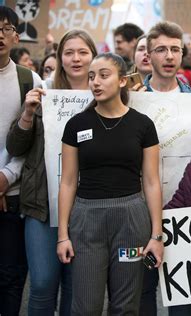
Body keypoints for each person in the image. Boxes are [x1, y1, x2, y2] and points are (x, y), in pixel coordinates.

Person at [56, 52, 163, 314]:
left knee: (126, 306)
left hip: (131, 221)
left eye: (104, 76)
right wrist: (62, 235)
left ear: (123, 81)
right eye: (92, 77)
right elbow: (68, 182)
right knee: (86, 306)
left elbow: (151, 181)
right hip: (87, 221)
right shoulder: (76, 124)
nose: (95, 82)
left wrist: (156, 235)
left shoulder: (143, 125)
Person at [7, 28, 98, 315]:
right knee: (44, 283)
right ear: (59, 58)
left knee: (75, 285)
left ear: (94, 57)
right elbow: (16, 146)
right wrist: (28, 113)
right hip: (42, 204)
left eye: (83, 52)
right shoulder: (43, 92)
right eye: (68, 52)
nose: (76, 59)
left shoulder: (106, 97)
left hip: (87, 206)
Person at [139, 20, 191, 316]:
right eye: (161, 49)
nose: (170, 56)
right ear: (148, 56)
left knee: (184, 297)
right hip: (139, 211)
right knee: (142, 294)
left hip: (186, 214)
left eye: (175, 49)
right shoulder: (130, 102)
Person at [0, 6, 41, 315]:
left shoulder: (30, 79)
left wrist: (5, 178)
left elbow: (33, 143)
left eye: (5, 28)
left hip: (12, 195)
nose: (0, 35)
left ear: (15, 35)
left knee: (12, 277)